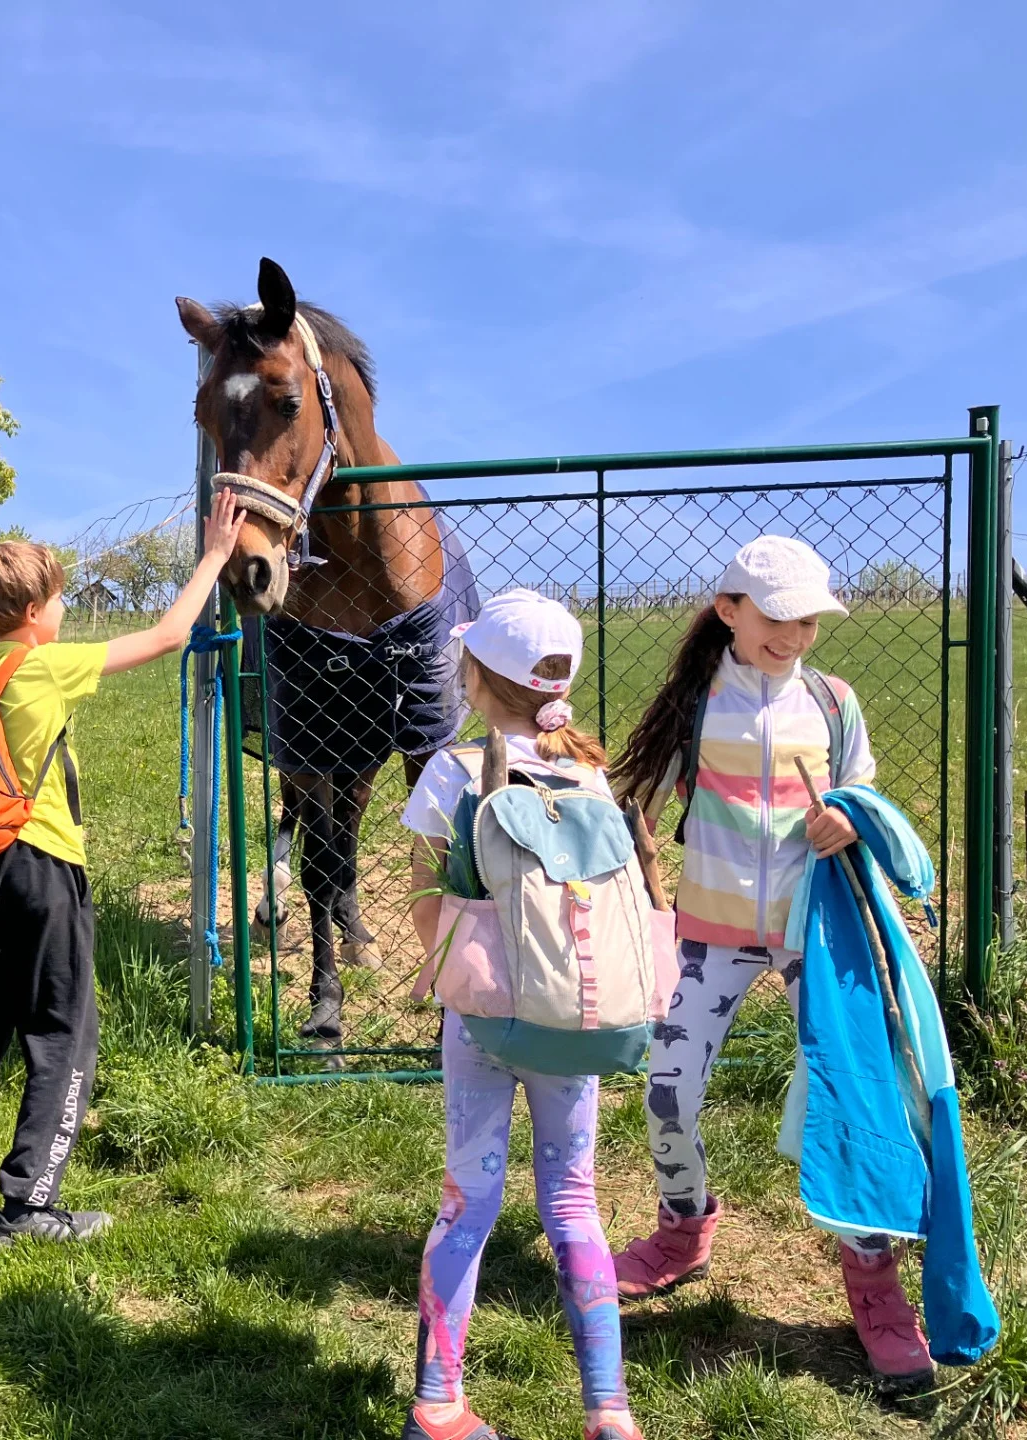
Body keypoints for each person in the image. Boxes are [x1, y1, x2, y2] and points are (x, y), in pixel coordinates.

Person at [0, 491, 248, 1250]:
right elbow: (169, 635)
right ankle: (28, 1207)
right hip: (41, 871)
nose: (67, 611)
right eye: (62, 599)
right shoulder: (44, 666)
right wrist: (213, 557)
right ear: (37, 609)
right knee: (61, 1033)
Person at [605, 536, 934, 1388]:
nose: (794, 636)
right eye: (777, 619)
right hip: (709, 936)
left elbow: (864, 790)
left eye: (810, 621)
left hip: (814, 938)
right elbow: (632, 802)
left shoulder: (832, 702)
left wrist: (851, 818)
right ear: (729, 611)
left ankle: (876, 1284)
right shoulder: (695, 703)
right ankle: (683, 1230)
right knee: (667, 1093)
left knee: (853, 1100)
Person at [400, 589, 643, 1440]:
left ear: (475, 679)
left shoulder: (452, 770)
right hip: (574, 1021)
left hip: (482, 1023)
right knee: (573, 1202)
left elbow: (425, 897)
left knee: (468, 1202)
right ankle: (608, 1408)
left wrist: (456, 976)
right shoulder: (592, 776)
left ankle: (438, 1403)